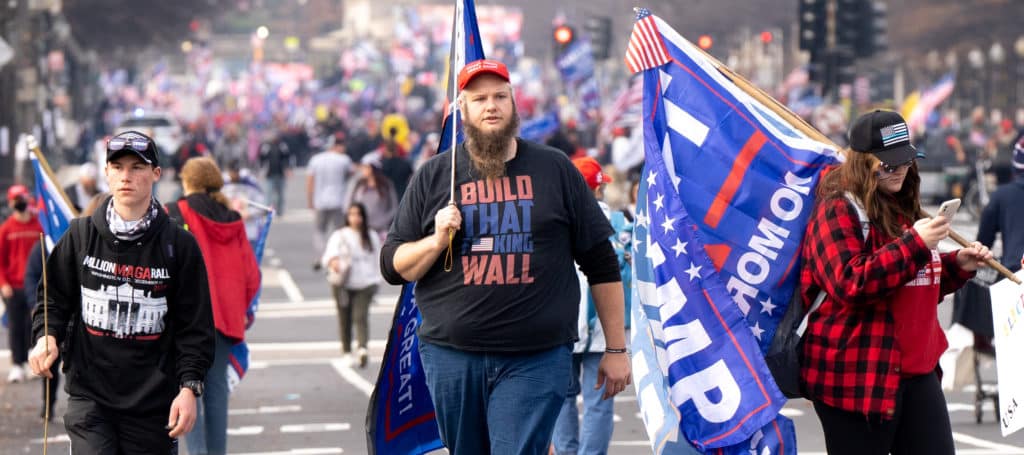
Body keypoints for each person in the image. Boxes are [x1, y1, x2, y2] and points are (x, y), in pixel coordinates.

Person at [380, 59, 631, 455]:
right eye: (479, 98)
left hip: (536, 357)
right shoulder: (435, 175)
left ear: (514, 103)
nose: (491, 105)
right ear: (462, 109)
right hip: (452, 356)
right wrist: (435, 240)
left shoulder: (555, 169)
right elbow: (393, 266)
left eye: (500, 96)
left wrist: (616, 349)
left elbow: (600, 262)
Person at [798, 111, 992, 455]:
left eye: (905, 160)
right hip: (858, 376)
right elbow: (850, 283)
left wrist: (957, 266)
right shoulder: (837, 207)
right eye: (889, 164)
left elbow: (912, 281)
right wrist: (916, 244)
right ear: (862, 163)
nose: (900, 170)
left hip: (918, 372)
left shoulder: (902, 204)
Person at [27, 130, 215, 453]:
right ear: (106, 173)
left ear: (156, 174)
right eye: (117, 167)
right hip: (90, 401)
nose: (126, 176)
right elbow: (52, 299)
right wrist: (46, 336)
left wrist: (189, 388)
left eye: (137, 167)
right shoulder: (80, 236)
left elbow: (194, 328)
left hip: (153, 406)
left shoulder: (179, 245)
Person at [167, 156, 261, 455]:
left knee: (187, 388)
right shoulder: (232, 218)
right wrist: (242, 309)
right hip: (225, 315)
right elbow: (251, 273)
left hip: (185, 313)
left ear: (187, 180)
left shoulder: (175, 211)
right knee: (217, 390)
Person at [553, 157, 632, 455]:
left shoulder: (556, 220)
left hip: (562, 323)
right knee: (600, 402)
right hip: (604, 325)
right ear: (597, 189)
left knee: (561, 398)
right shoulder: (620, 222)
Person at [23, 192, 108, 421]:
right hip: (64, 320)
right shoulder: (64, 240)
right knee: (51, 362)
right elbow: (35, 277)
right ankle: (48, 405)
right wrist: (39, 309)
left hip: (93, 333)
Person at [320, 202, 381, 368]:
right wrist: (334, 263)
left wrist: (377, 281)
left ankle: (362, 348)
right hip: (343, 283)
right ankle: (346, 351)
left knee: (360, 316)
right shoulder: (339, 236)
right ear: (347, 216)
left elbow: (378, 260)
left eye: (358, 214)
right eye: (352, 214)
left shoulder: (371, 236)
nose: (355, 218)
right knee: (344, 318)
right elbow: (328, 257)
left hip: (366, 283)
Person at [1, 184, 44, 384]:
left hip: (35, 286)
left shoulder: (38, 227)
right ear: (11, 203)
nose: (19, 203)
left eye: (21, 199)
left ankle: (29, 359)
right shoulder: (6, 229)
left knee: (33, 325)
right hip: (13, 287)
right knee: (16, 327)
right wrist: (3, 283)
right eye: (15, 200)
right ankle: (17, 364)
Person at [307, 132, 355, 270]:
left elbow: (310, 181)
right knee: (339, 230)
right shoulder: (343, 159)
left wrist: (310, 200)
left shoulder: (315, 159)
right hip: (338, 200)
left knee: (319, 231)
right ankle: (339, 255)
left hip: (320, 200)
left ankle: (322, 256)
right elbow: (351, 173)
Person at [345, 154, 398, 234]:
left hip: (380, 230)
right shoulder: (358, 184)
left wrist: (384, 221)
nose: (362, 169)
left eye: (365, 167)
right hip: (361, 228)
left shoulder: (386, 185)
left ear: (372, 168)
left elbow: (394, 207)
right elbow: (349, 203)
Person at [259, 131, 293, 214]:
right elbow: (261, 158)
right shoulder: (266, 146)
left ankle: (280, 211)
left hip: (280, 173)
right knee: (268, 194)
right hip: (269, 173)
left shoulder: (282, 145)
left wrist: (287, 168)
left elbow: (287, 157)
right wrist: (262, 170)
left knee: (281, 194)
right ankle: (267, 210)